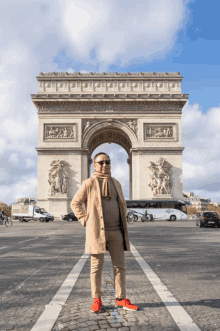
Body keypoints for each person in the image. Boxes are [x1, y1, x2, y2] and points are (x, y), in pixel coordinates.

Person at [71, 152, 139, 313]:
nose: (104, 165)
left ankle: (121, 299)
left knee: (120, 267)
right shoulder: (88, 183)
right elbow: (75, 203)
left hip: (116, 231)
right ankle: (96, 299)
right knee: (96, 267)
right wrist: (85, 220)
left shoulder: (116, 183)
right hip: (96, 232)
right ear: (94, 165)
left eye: (107, 162)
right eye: (100, 162)